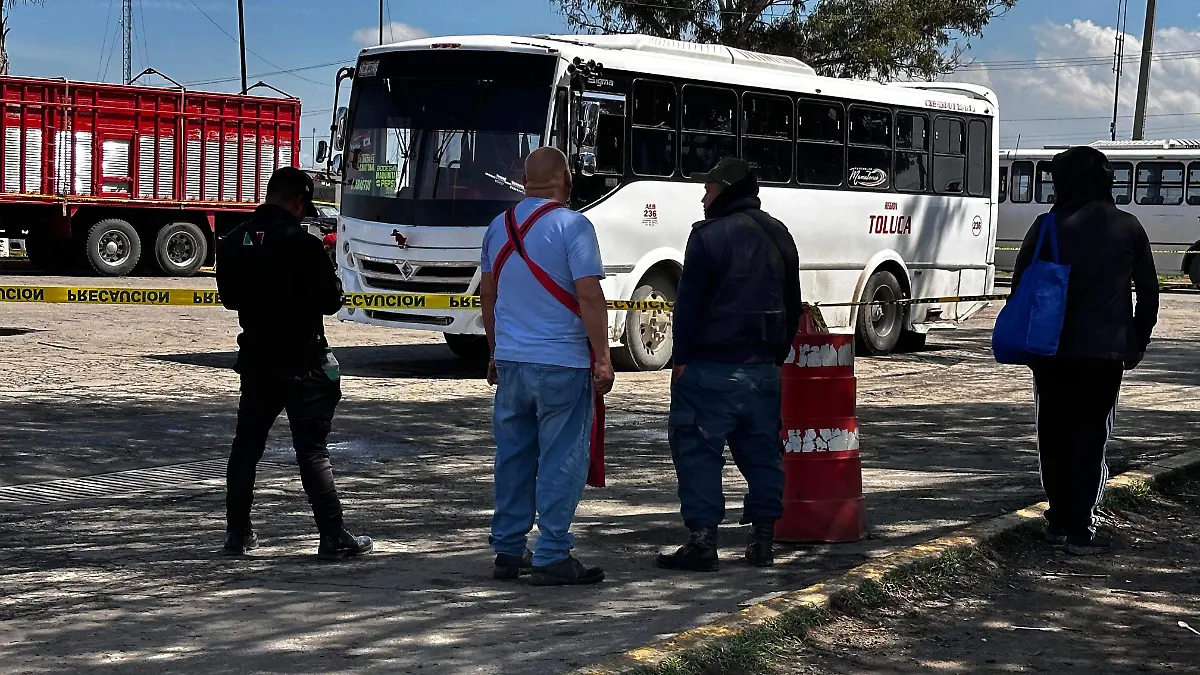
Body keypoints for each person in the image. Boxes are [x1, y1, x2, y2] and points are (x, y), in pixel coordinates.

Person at [216, 166, 372, 561]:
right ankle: (332, 536)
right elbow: (331, 301)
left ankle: (238, 534)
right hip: (304, 362)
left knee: (246, 449)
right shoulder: (303, 245)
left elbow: (230, 298)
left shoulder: (234, 241)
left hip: (257, 360)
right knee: (312, 451)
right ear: (300, 201)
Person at [1012, 146, 1159, 556]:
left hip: (1051, 350)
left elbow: (1020, 286)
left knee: (1053, 434)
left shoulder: (1047, 226)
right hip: (1105, 353)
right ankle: (1080, 528)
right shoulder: (1128, 227)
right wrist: (1138, 339)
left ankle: (1058, 521)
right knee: (1091, 437)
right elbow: (1149, 292)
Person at [657, 157, 802, 572]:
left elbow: (688, 306)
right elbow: (793, 304)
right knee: (763, 455)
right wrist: (776, 358)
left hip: (709, 369)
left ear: (724, 190)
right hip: (761, 371)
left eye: (708, 189)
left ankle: (702, 544)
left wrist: (680, 359)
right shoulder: (780, 235)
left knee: (699, 453)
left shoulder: (706, 237)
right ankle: (763, 542)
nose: (704, 198)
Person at [479, 147, 614, 586]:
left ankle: (508, 549)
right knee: (562, 458)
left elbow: (488, 295)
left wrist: (495, 350)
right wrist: (604, 356)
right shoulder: (574, 226)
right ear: (566, 180)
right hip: (563, 363)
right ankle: (553, 552)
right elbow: (589, 296)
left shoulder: (499, 226)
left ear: (525, 180)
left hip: (514, 363)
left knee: (513, 457)